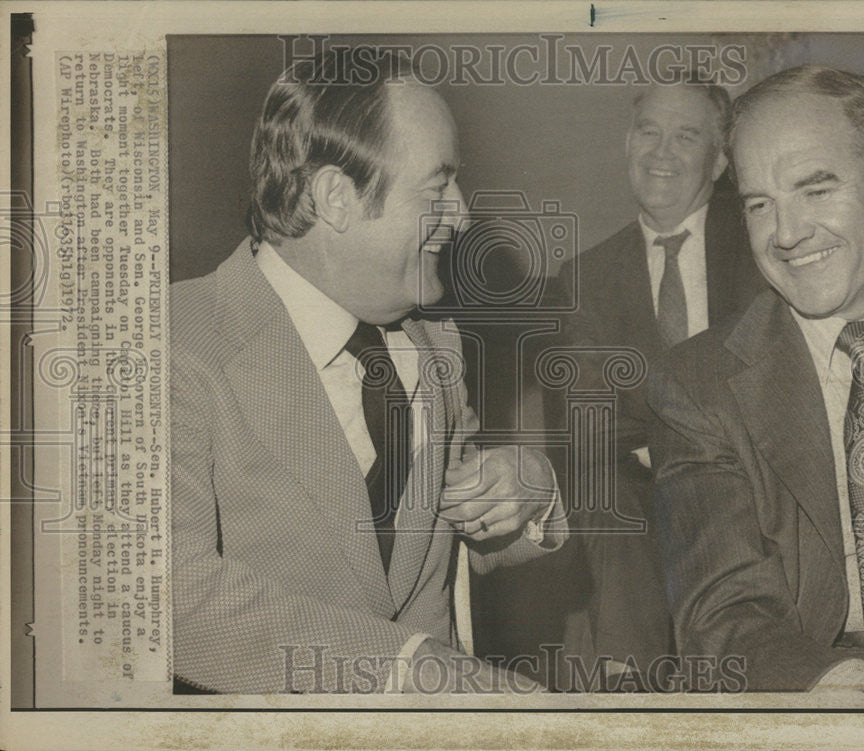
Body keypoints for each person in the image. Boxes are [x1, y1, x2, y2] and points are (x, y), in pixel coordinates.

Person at [170, 49, 567, 694]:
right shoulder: (173, 340)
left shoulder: (438, 344)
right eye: (438, 187)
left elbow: (462, 539)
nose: (462, 215)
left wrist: (531, 489)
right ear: (337, 198)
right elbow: (172, 596)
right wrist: (415, 673)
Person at [649, 65, 864, 691]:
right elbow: (723, 620)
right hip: (833, 687)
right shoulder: (699, 387)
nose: (785, 235)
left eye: (815, 189)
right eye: (760, 204)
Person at [549, 82, 763, 687]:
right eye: (648, 130)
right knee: (593, 472)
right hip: (641, 501)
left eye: (687, 135)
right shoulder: (585, 276)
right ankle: (634, 679)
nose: (661, 151)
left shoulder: (762, 247)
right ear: (626, 142)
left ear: (720, 161)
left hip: (755, 479)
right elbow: (592, 425)